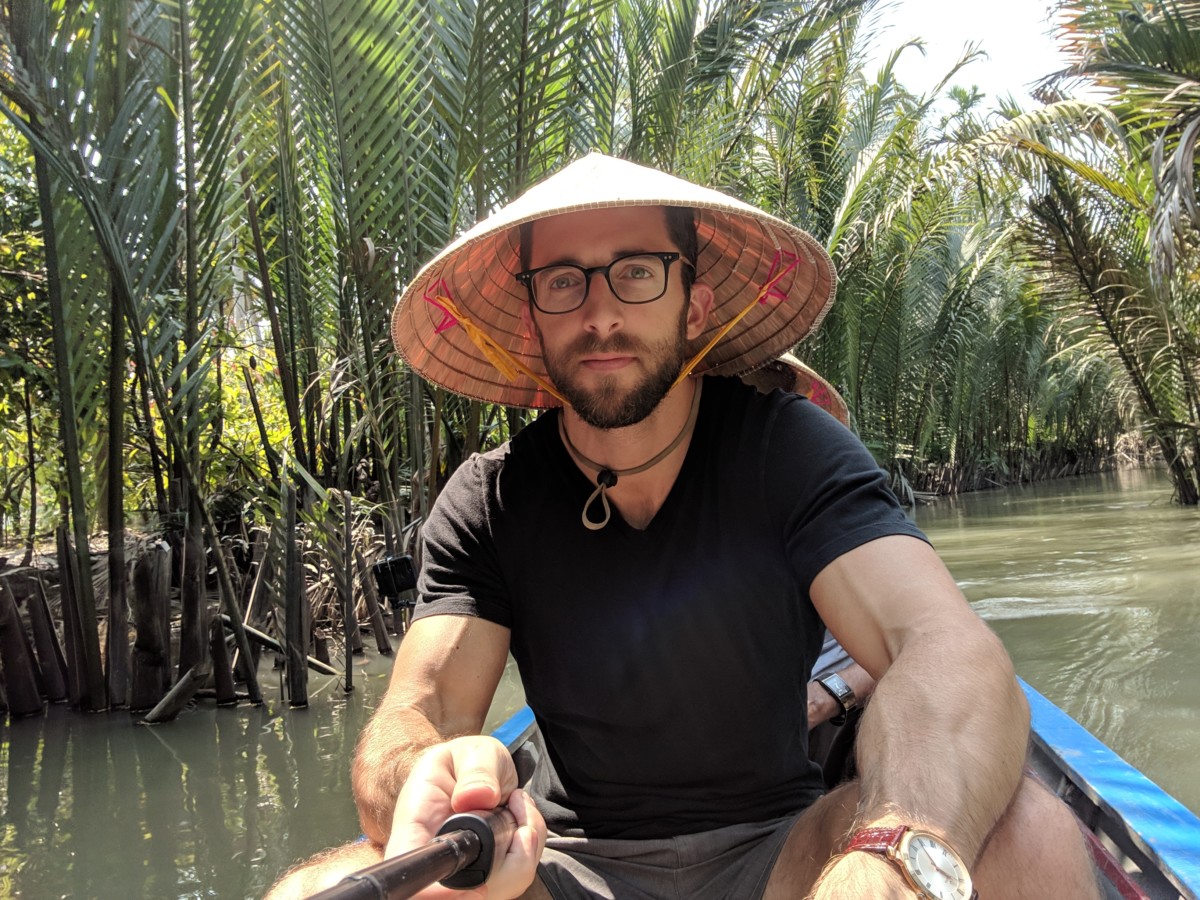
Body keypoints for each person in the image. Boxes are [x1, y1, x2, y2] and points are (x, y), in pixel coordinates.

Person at [268, 153, 1100, 899]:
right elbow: (418, 712)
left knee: (1032, 834)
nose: (599, 313)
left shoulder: (790, 450)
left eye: (636, 272)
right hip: (566, 862)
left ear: (695, 304)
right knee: (312, 892)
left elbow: (942, 644)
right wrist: (426, 772)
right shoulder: (489, 498)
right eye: (563, 281)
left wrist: (890, 850)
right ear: (533, 320)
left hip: (778, 852)